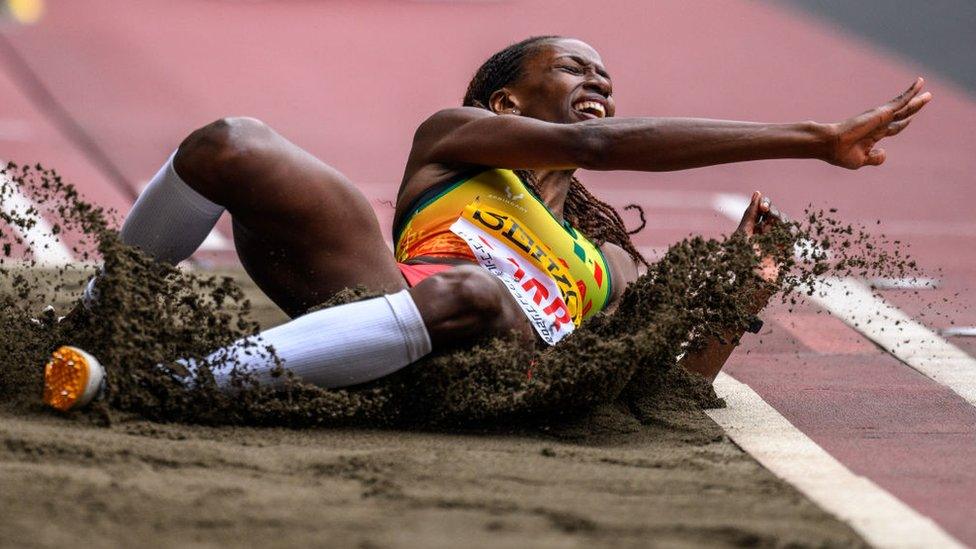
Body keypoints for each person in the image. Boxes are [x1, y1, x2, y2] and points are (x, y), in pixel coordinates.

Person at [42, 36, 931, 412]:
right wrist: (813, 138)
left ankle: (168, 385)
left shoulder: (610, 260)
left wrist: (741, 300)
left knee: (472, 293)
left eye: (609, 82)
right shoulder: (456, 142)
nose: (602, 89)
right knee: (232, 141)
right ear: (507, 101)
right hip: (371, 305)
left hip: (468, 370)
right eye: (575, 70)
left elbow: (658, 386)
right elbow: (602, 143)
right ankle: (99, 315)